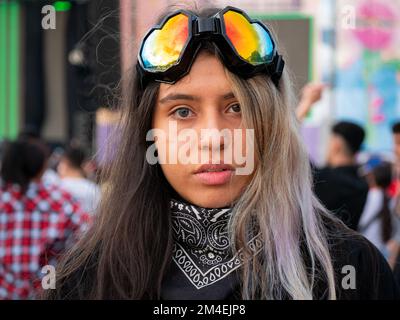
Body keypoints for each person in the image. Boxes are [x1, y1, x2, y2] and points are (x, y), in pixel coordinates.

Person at [47, 5, 399, 300]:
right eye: (182, 112)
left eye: (237, 108)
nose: (213, 138)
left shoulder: (349, 269)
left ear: (272, 124)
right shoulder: (84, 280)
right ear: (147, 133)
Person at [0, 138, 90, 299]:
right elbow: (86, 235)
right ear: (41, 167)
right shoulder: (59, 199)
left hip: (6, 291)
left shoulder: (4, 199)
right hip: (47, 290)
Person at [358, 161, 400, 261]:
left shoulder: (370, 196)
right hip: (384, 249)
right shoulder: (391, 198)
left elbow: (361, 222)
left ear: (373, 178)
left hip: (367, 245)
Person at [57, 145, 100, 214]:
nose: (58, 167)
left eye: (60, 163)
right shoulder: (93, 189)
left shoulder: (57, 187)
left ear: (65, 163)